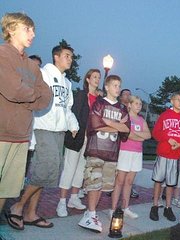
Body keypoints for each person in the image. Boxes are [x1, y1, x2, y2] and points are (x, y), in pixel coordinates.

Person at [7, 43, 78, 229]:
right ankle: (18, 206)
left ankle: (31, 213)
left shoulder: (68, 83)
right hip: (43, 127)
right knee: (45, 169)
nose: (70, 59)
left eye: (71, 56)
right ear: (56, 56)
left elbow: (67, 108)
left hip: (59, 131)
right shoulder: (43, 74)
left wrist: (73, 124)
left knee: (47, 173)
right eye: (67, 55)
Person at [0, 12, 52, 229]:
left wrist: (28, 97)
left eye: (33, 30)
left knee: (6, 188)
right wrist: (32, 96)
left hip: (22, 136)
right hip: (1, 133)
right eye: (27, 29)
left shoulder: (32, 66)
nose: (33, 34)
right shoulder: (2, 55)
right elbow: (12, 90)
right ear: (11, 29)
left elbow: (47, 96)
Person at [78, 75, 130, 233]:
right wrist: (117, 125)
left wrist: (107, 122)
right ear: (106, 87)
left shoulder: (122, 108)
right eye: (114, 85)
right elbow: (95, 125)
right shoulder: (99, 103)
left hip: (112, 153)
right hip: (96, 149)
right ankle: (91, 214)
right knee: (93, 184)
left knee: (102, 186)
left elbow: (127, 129)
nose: (117, 88)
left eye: (119, 85)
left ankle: (89, 213)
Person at [56, 69, 102, 217]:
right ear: (87, 79)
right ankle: (62, 202)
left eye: (99, 77)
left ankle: (74, 198)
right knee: (70, 167)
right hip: (77, 136)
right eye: (94, 77)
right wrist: (74, 129)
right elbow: (73, 113)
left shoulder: (100, 99)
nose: (97, 79)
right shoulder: (81, 95)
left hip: (91, 139)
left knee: (81, 169)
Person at [149, 92, 180, 222]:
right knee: (158, 180)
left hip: (175, 155)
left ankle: (168, 207)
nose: (179, 101)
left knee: (171, 183)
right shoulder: (165, 115)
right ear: (172, 101)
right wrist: (168, 139)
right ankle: (155, 206)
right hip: (163, 153)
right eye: (176, 99)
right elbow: (156, 133)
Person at [110, 95, 151, 219]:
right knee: (120, 181)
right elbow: (126, 135)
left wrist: (135, 133)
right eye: (136, 103)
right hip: (125, 152)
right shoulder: (125, 118)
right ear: (129, 105)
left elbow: (148, 135)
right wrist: (139, 136)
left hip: (137, 154)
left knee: (129, 182)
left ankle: (125, 207)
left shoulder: (141, 120)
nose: (138, 106)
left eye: (140, 104)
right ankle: (112, 209)